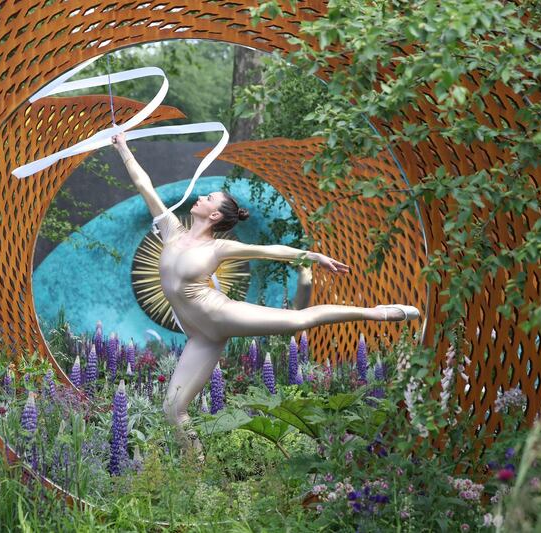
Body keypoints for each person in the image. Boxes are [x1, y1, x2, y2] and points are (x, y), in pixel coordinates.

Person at [111, 132, 420, 458]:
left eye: (210, 198)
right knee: (173, 409)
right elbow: (144, 185)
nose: (201, 198)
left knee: (298, 321)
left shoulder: (218, 247)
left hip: (218, 314)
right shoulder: (171, 229)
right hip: (200, 336)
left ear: (215, 216)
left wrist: (311, 256)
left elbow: (268, 251)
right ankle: (195, 466)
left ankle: (380, 313)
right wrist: (122, 147)